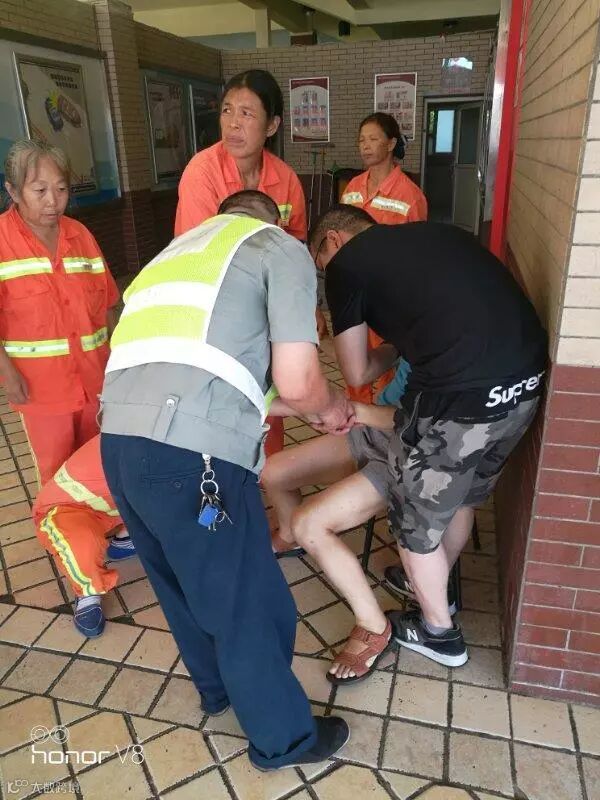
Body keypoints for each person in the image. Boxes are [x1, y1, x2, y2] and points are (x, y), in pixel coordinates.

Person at [100, 190, 353, 771]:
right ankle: (283, 739)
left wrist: (309, 407)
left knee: (178, 583)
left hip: (118, 442)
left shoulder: (172, 257)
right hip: (195, 459)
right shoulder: (276, 248)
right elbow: (298, 379)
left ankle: (217, 691)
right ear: (275, 221)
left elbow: (214, 378)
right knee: (246, 599)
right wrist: (328, 404)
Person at [287, 205, 547, 674]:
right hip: (525, 388)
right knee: (463, 496)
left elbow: (356, 372)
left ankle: (439, 633)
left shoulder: (346, 265)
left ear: (333, 241)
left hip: (460, 406)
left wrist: (389, 348)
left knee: (413, 523)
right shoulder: (440, 234)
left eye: (320, 261)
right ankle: (433, 587)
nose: (327, 272)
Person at [175, 69, 316, 458]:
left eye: (247, 113)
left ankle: (271, 485)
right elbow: (202, 257)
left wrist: (303, 311)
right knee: (222, 419)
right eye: (227, 110)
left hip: (267, 319)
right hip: (214, 317)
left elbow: (296, 250)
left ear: (272, 125)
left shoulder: (285, 178)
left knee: (269, 421)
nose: (233, 123)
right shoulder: (202, 172)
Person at [0, 139, 119, 485]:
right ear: (13, 191)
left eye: (62, 189)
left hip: (94, 380)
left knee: (97, 467)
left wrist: (119, 365)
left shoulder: (80, 235)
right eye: (40, 190)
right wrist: (7, 375)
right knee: (56, 476)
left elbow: (108, 304)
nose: (53, 201)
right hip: (40, 389)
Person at [341, 113, 427, 404]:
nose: (365, 146)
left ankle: (380, 418)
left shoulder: (410, 195)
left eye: (373, 139)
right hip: (354, 293)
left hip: (390, 297)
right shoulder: (352, 188)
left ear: (391, 144)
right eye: (361, 140)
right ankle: (355, 418)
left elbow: (419, 255)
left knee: (386, 360)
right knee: (353, 359)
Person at [33, 434, 136, 638]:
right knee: (82, 542)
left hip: (115, 503)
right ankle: (88, 592)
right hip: (67, 507)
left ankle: (126, 539)